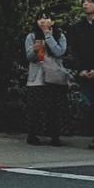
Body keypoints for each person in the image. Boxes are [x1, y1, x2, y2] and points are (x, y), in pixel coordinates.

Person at [25, 14, 71, 146]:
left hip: (54, 77)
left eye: (47, 18)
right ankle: (32, 135)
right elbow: (29, 57)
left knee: (54, 108)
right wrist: (34, 50)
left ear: (53, 21)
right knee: (35, 108)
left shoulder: (60, 35)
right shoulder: (32, 36)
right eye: (40, 18)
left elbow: (59, 52)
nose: (43, 21)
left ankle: (55, 136)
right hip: (36, 78)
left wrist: (48, 36)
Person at [70, 0, 94, 149]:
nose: (85, 4)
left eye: (90, 2)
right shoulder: (77, 28)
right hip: (84, 72)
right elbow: (74, 51)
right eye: (84, 1)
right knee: (88, 105)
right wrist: (80, 69)